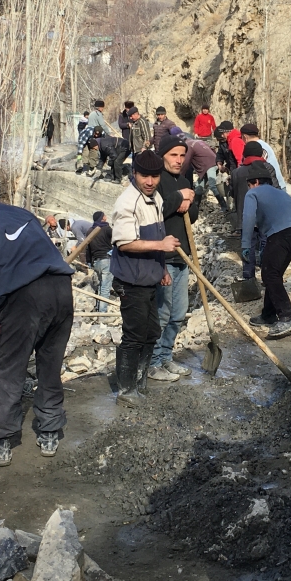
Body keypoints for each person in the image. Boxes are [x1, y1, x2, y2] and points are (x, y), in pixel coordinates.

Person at [0, 167, 74, 465]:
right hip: (61, 289)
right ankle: (49, 433)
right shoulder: (21, 214)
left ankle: (2, 443)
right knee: (50, 365)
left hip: (24, 299)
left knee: (8, 372)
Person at [109, 150, 178, 407]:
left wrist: (163, 270)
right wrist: (161, 246)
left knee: (151, 332)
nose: (150, 182)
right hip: (131, 281)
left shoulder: (155, 198)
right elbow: (125, 243)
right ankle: (126, 390)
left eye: (154, 176)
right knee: (134, 335)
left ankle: (139, 383)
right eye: (144, 176)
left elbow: (156, 238)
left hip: (149, 277)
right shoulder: (127, 202)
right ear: (134, 174)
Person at [152, 134, 199, 381]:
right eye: (173, 155)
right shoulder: (155, 181)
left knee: (178, 313)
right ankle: (152, 363)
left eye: (182, 155)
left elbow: (195, 214)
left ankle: (166, 358)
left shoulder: (183, 179)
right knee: (162, 313)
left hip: (183, 257)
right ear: (163, 156)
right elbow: (156, 211)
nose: (179, 160)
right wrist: (179, 197)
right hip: (163, 257)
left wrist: (189, 198)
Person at [240, 167, 291, 338]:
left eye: (249, 185)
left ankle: (287, 316)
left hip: (280, 233)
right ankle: (268, 314)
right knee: (273, 272)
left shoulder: (252, 194)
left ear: (255, 182)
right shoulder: (280, 193)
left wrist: (246, 245)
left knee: (270, 275)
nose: (248, 188)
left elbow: (248, 218)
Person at [234, 141, 279, 276]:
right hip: (264, 215)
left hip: (244, 215)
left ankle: (248, 278)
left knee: (248, 246)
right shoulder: (267, 168)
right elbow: (275, 189)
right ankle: (267, 276)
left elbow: (233, 193)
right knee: (266, 245)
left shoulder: (237, 172)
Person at [240, 123, 286, 189]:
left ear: (245, 137)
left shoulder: (259, 148)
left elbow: (260, 168)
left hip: (274, 186)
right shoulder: (262, 145)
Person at [85, 211, 115, 313]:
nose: (106, 217)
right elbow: (117, 239)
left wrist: (89, 262)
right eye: (104, 215)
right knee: (105, 287)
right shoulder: (106, 229)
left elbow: (87, 248)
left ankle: (98, 308)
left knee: (99, 286)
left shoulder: (90, 230)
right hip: (106, 260)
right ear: (102, 218)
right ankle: (102, 313)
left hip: (95, 262)